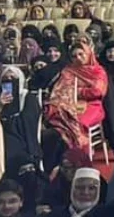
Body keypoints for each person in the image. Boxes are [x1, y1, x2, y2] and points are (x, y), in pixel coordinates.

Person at [41, 40, 108, 169]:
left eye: (81, 54)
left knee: (77, 122)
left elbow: (98, 91)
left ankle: (81, 159)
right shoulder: (68, 71)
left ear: (88, 54)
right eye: (74, 56)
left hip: (92, 105)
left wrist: (77, 91)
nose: (78, 58)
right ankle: (64, 157)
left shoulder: (98, 71)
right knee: (59, 119)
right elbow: (59, 90)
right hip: (69, 103)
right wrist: (69, 96)